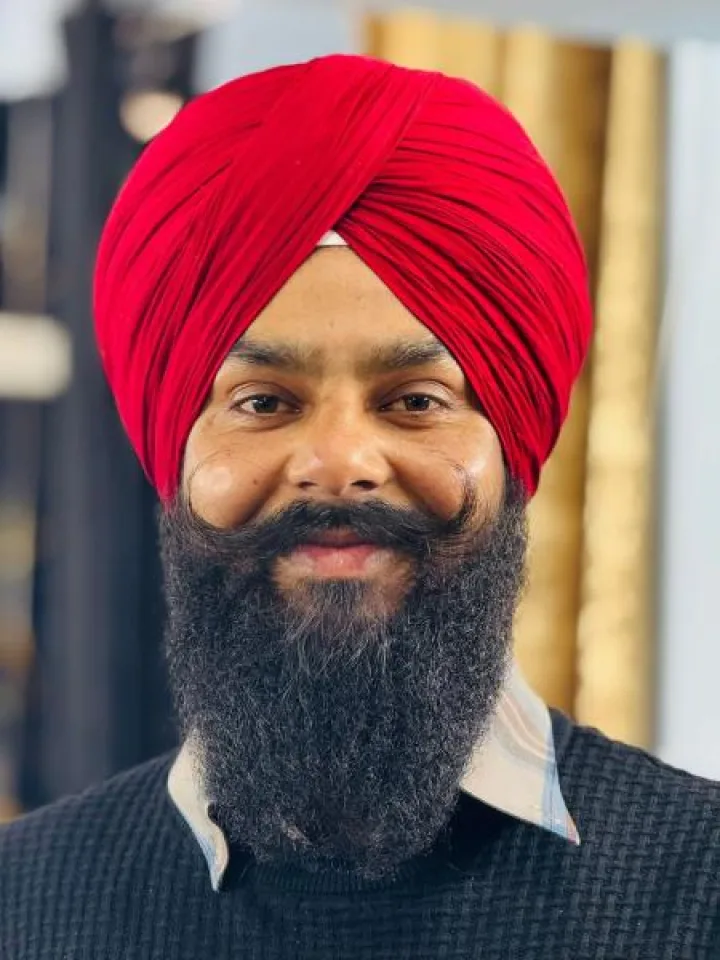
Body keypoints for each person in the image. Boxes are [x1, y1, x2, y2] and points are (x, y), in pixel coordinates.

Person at [1, 53, 718, 960]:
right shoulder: (19, 903)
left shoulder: (699, 887)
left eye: (416, 400)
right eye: (263, 402)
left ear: (513, 449)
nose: (339, 464)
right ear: (174, 453)